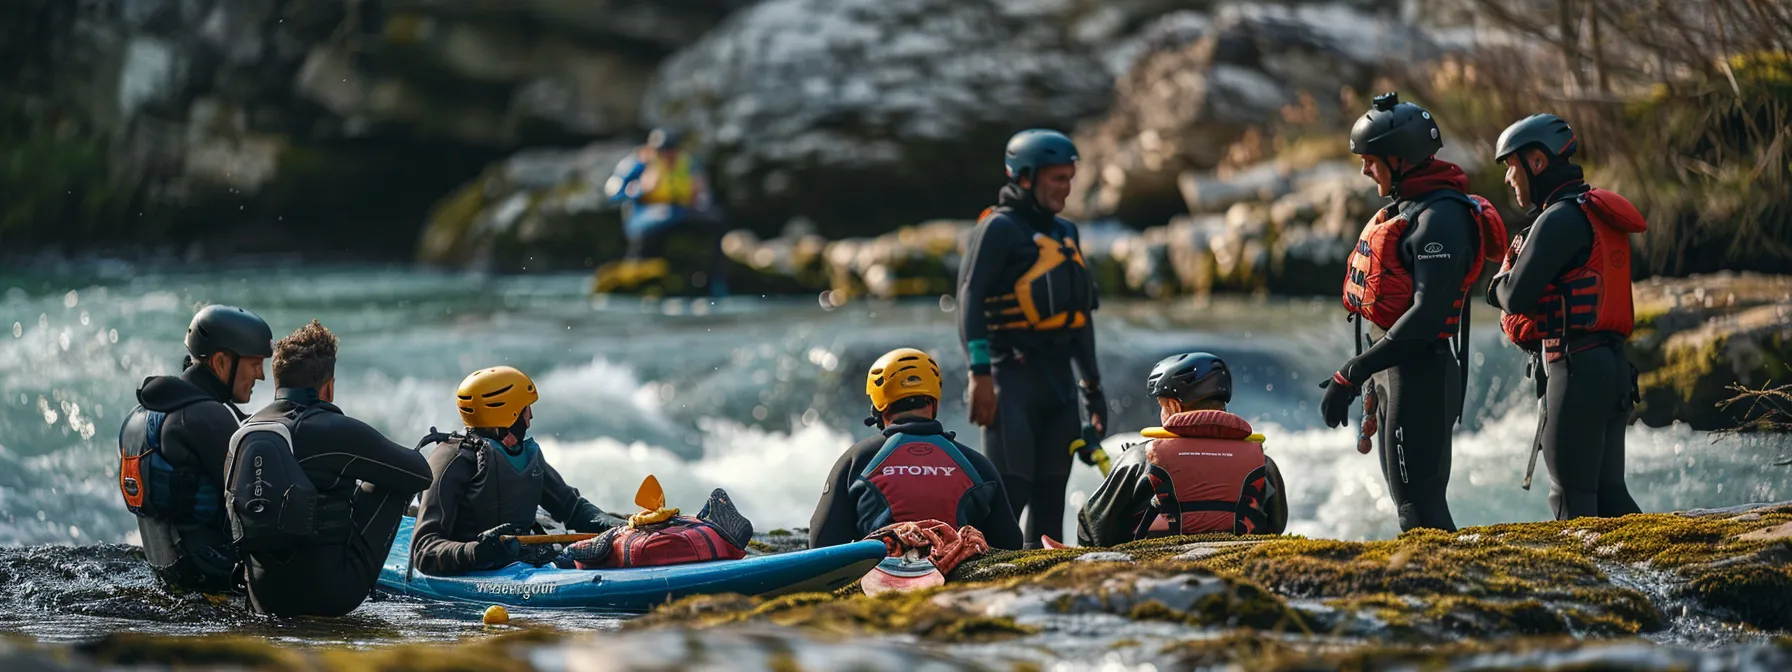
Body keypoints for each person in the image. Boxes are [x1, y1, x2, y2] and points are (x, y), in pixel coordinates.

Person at [1319, 92, 1507, 533]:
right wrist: (1368, 373)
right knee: (1408, 506)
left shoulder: (1442, 218)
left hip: (1421, 376)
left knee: (1418, 507)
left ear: (1401, 159)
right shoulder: (1407, 208)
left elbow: (1425, 319)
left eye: (1371, 160)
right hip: (1395, 372)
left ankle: (1450, 596)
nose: (1365, 170)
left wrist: (1352, 372)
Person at [1487, 113, 1645, 520]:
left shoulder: (1558, 218)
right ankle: (1641, 580)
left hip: (1575, 371)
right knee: (1610, 498)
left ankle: (1589, 586)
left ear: (1537, 162)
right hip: (1611, 367)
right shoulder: (1591, 212)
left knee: (1569, 498)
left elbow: (1516, 295)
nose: (1508, 178)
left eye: (1511, 166)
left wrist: (1497, 281)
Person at [957, 129, 1107, 549]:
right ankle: (982, 588)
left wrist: (1092, 387)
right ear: (1024, 177)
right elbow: (969, 297)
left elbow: (1079, 318)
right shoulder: (998, 228)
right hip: (1011, 380)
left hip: (1059, 385)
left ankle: (1037, 602)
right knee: (1009, 497)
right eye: (1057, 178)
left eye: (1069, 178)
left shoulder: (1066, 233)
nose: (1066, 188)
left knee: (1050, 505)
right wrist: (979, 372)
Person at [236, 320, 434, 617]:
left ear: (277, 383)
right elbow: (420, 473)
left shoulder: (245, 433)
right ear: (327, 388)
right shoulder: (333, 430)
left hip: (261, 595)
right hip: (329, 595)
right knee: (394, 478)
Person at [411, 366, 624, 576]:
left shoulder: (525, 455)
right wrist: (477, 552)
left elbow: (573, 509)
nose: (530, 417)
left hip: (522, 562)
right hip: (472, 570)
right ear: (508, 413)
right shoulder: (451, 460)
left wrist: (619, 526)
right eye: (525, 409)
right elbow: (423, 550)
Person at [117, 305, 272, 593]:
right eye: (254, 364)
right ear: (222, 362)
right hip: (215, 576)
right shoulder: (206, 416)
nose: (261, 375)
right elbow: (261, 502)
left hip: (169, 573)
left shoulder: (144, 414)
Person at [809, 348, 1023, 551]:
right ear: (934, 403)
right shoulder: (977, 464)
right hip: (954, 573)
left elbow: (821, 543)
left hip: (881, 574)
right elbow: (1010, 542)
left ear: (878, 407)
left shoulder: (857, 459)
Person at [1077, 353, 1287, 547]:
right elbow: (1276, 526)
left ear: (1175, 407)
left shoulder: (1142, 457)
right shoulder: (1263, 462)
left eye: (1161, 405)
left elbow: (1091, 530)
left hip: (1157, 574)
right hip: (1238, 568)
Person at [600, 127, 728, 297]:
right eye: (663, 151)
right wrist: (640, 189)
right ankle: (634, 275)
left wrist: (699, 198)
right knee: (656, 224)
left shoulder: (688, 163)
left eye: (671, 150)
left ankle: (715, 279)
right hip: (643, 216)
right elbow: (613, 193)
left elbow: (705, 197)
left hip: (681, 213)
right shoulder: (638, 162)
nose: (668, 155)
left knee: (716, 220)